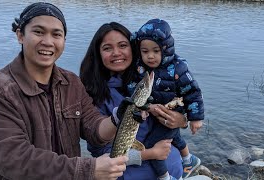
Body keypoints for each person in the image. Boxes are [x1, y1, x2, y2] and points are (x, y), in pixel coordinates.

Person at [0, 2, 130, 180]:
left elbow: (93, 128)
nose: (48, 42)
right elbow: (16, 162)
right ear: (20, 35)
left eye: (56, 34)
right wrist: (89, 169)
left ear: (64, 40)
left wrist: (118, 118)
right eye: (39, 32)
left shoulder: (71, 82)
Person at [80, 22, 188, 180]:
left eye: (123, 45)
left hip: (173, 171)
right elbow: (101, 153)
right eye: (107, 48)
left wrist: (181, 120)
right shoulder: (92, 95)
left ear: (133, 48)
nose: (116, 53)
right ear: (98, 54)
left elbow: (183, 105)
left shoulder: (155, 80)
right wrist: (150, 154)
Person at [129, 18, 204, 179]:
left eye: (156, 51)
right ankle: (188, 159)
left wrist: (195, 118)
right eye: (145, 51)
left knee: (151, 145)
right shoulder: (141, 68)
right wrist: (144, 107)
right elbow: (134, 88)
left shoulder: (178, 68)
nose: (150, 56)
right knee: (175, 136)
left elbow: (193, 93)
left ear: (166, 49)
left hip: (170, 114)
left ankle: (164, 177)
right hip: (158, 116)